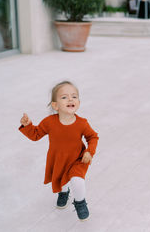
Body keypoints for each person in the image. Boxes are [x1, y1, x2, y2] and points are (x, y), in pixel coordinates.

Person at [19, 81, 99, 221]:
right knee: (61, 180)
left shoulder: (82, 123)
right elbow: (35, 135)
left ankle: (80, 203)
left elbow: (93, 137)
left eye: (74, 96)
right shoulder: (49, 122)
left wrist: (89, 152)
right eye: (64, 97)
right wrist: (27, 126)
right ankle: (63, 192)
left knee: (77, 180)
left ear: (79, 102)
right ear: (55, 105)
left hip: (77, 159)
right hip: (58, 159)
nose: (70, 99)